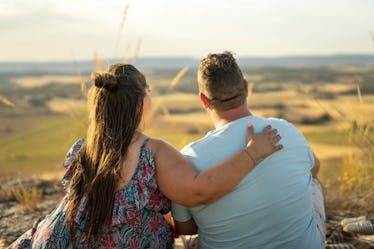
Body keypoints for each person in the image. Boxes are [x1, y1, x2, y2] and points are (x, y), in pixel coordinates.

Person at [8, 64, 282, 249]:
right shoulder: (153, 151)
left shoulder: (83, 147)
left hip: (55, 240)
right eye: (149, 90)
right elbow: (198, 191)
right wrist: (252, 153)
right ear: (140, 101)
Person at [172, 52, 326, 249]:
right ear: (246, 87)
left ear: (203, 100)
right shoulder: (285, 130)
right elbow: (314, 170)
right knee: (311, 181)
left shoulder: (189, 157)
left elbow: (185, 227)